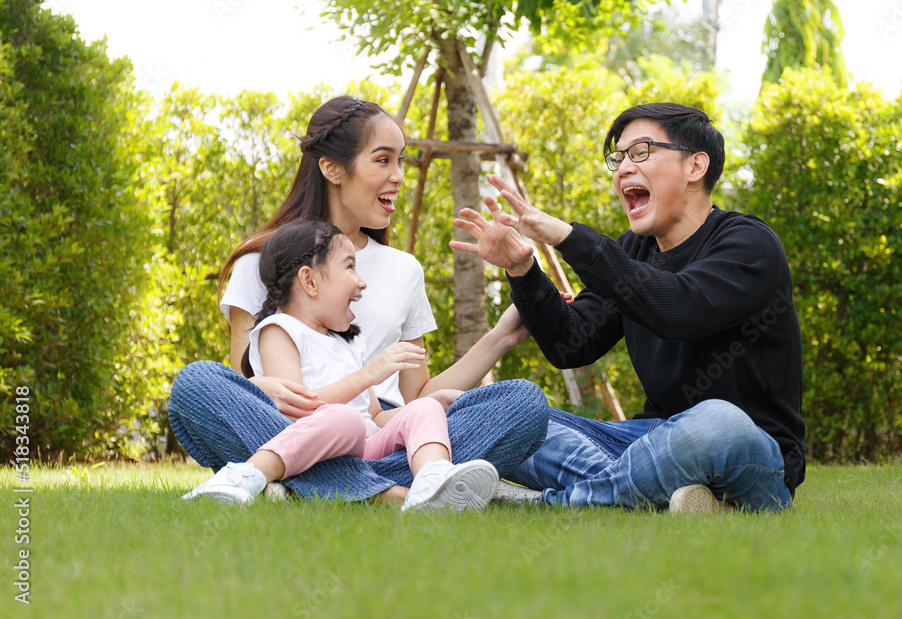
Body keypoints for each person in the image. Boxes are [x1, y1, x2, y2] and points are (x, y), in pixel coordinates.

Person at [168, 96, 548, 506]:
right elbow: (243, 382)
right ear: (333, 169)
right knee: (196, 384)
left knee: (522, 405)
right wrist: (262, 388)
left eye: (401, 161)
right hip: (290, 426)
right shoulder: (261, 261)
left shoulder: (404, 270)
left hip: (384, 437)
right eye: (383, 160)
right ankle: (392, 494)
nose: (399, 175)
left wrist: (502, 336)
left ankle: (320, 487)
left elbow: (416, 396)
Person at [450, 102, 806, 513]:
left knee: (715, 421)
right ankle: (659, 494)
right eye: (618, 158)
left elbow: (678, 308)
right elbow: (572, 343)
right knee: (495, 412)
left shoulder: (749, 244)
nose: (622, 169)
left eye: (640, 152)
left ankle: (548, 504)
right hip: (648, 439)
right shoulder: (633, 250)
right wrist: (522, 268)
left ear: (695, 166)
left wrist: (569, 237)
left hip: (752, 453)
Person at [182, 222, 500, 511]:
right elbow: (298, 408)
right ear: (310, 280)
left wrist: (428, 407)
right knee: (345, 419)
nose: (361, 283)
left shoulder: (348, 341)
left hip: (366, 444)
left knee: (422, 410)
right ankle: (248, 474)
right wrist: (367, 375)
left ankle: (432, 483)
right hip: (313, 442)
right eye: (350, 267)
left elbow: (374, 417)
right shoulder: (279, 330)